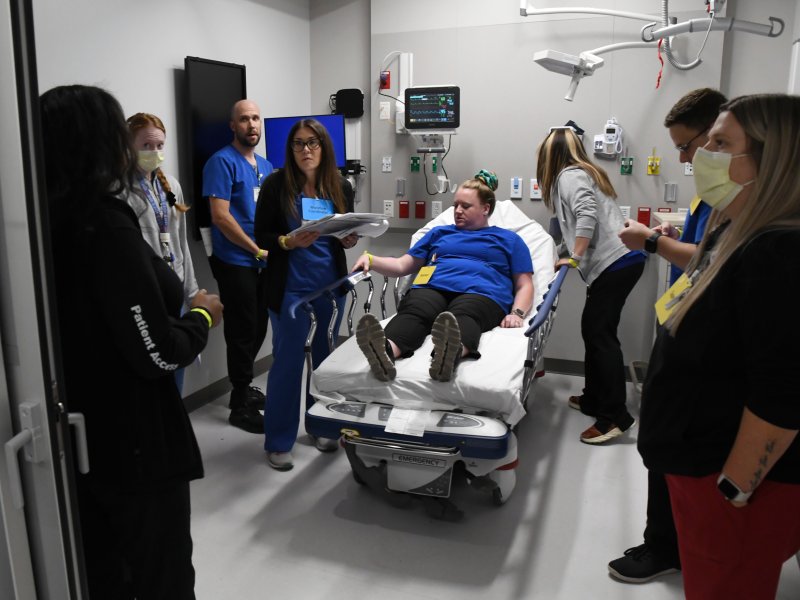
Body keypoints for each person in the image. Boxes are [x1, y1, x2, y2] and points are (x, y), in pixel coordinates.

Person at [41, 84, 223, 599]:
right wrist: (203, 318)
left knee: (104, 571)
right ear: (105, 143)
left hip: (80, 437)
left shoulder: (40, 220)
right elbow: (159, 349)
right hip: (134, 444)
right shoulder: (104, 223)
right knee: (158, 571)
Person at [637, 93, 800, 599]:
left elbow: (783, 395)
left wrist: (734, 488)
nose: (702, 156)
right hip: (699, 466)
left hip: (731, 484)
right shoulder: (737, 232)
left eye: (720, 143)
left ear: (771, 162)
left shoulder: (778, 254)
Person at [609, 88, 727, 584]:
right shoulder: (713, 194)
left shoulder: (743, 201)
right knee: (665, 437)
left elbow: (712, 258)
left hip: (700, 332)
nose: (682, 157)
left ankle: (666, 545)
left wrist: (654, 241)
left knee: (668, 439)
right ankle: (672, 540)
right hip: (682, 318)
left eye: (688, 145)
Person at [351, 170, 534, 383]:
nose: (458, 211)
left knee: (463, 315)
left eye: (466, 206)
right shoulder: (439, 233)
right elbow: (403, 265)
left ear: (486, 209)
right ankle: (385, 351)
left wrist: (518, 313)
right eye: (455, 205)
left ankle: (448, 354)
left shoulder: (509, 239)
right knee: (415, 311)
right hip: (433, 287)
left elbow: (524, 284)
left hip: (482, 293)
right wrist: (371, 260)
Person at [254, 118, 357, 471]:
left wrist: (349, 238)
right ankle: (280, 439)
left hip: (330, 288)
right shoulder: (275, 186)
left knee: (326, 363)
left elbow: (345, 231)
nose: (306, 150)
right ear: (290, 149)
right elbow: (262, 235)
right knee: (287, 364)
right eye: (298, 144)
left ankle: (321, 426)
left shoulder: (340, 185)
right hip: (291, 291)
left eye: (312, 142)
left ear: (324, 146)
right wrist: (286, 241)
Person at [536, 127, 645, 444]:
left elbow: (586, 213)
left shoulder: (569, 175)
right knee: (594, 330)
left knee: (601, 336)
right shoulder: (582, 174)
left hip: (616, 263)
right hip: (619, 263)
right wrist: (558, 254)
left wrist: (576, 255)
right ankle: (594, 398)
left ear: (549, 157)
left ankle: (615, 417)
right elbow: (565, 228)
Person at [202, 99, 272, 433]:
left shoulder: (266, 165)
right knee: (242, 331)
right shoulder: (221, 162)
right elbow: (220, 216)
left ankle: (242, 389)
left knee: (259, 326)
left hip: (262, 259)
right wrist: (257, 250)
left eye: (256, 118)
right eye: (244, 119)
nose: (251, 125)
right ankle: (239, 405)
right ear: (234, 125)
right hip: (236, 260)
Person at [126, 112, 200, 395]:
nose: (154, 152)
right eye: (146, 145)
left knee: (177, 366)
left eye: (159, 146)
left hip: (176, 292)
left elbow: (181, 246)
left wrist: (191, 293)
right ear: (128, 146)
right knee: (154, 371)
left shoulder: (171, 185)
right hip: (147, 295)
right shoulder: (121, 190)